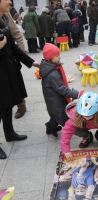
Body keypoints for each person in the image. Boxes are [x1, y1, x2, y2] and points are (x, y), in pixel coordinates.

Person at [0, 0, 40, 159]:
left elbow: (13, 46)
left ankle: (9, 133)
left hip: (8, 68)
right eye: (6, 0)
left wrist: (31, 62)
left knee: (9, 102)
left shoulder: (4, 18)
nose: (10, 2)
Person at [39, 43, 83, 137]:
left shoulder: (48, 67)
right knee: (62, 116)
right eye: (57, 56)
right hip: (56, 100)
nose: (60, 58)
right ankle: (75, 132)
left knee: (55, 114)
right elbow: (62, 89)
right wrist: (76, 94)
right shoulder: (53, 74)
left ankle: (50, 127)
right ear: (50, 58)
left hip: (52, 99)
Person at [61, 92, 98, 160]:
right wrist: (66, 150)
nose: (86, 117)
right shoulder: (75, 116)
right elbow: (66, 132)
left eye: (89, 115)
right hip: (82, 126)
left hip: (97, 124)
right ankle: (87, 136)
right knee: (71, 129)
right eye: (83, 115)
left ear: (96, 111)